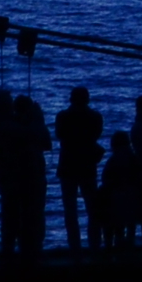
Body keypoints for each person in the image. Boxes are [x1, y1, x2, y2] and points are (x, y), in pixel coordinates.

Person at [0, 86, 46, 264]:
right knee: (19, 216)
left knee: (12, 216)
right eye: (10, 101)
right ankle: (23, 254)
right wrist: (37, 117)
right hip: (14, 178)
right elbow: (31, 134)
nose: (13, 104)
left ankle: (13, 252)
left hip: (8, 176)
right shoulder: (5, 125)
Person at [54, 86, 102, 251]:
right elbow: (96, 134)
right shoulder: (95, 117)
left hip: (67, 165)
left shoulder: (62, 117)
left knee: (70, 210)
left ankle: (74, 247)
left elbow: (59, 135)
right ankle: (95, 245)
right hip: (87, 165)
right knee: (93, 209)